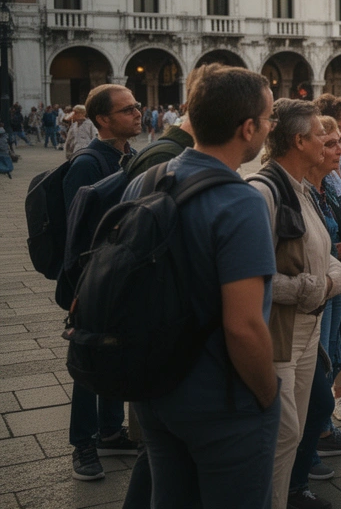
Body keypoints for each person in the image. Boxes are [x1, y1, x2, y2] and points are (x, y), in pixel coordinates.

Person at [123, 66, 279, 508]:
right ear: (247, 128)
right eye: (268, 120)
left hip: (154, 389)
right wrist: (267, 396)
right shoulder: (239, 201)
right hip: (220, 398)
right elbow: (244, 326)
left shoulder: (146, 179)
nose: (268, 129)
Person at [250, 100, 341, 509]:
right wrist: (320, 285)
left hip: (308, 330)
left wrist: (333, 277)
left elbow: (327, 255)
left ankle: (286, 495)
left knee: (297, 424)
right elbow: (256, 279)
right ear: (298, 141)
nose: (328, 141)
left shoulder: (302, 189)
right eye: (320, 135)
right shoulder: (263, 192)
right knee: (282, 431)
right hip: (280, 333)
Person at [288, 114, 341, 508]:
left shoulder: (315, 190)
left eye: (340, 141)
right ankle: (303, 463)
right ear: (303, 143)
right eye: (331, 142)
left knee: (332, 360)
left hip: (335, 288)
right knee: (316, 387)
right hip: (311, 303)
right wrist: (336, 261)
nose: (339, 150)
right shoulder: (284, 191)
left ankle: (304, 464)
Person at [63, 84, 142, 481]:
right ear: (102, 120)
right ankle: (83, 444)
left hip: (126, 275)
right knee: (91, 357)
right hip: (93, 280)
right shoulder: (87, 163)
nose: (137, 113)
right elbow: (75, 232)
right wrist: (82, 289)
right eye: (128, 110)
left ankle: (110, 430)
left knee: (115, 352)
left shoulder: (134, 157)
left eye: (137, 107)